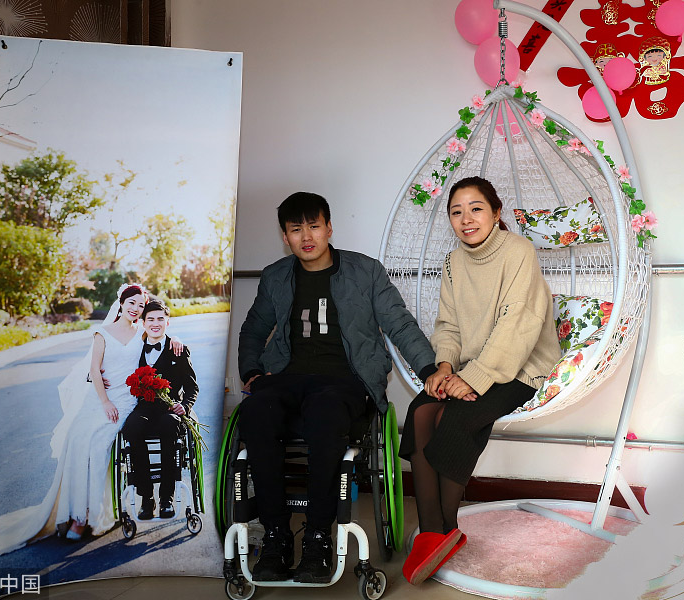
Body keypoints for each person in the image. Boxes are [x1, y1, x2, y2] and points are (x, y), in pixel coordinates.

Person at [238, 191, 436, 583]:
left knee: (325, 413)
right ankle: (276, 536)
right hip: (288, 377)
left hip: (346, 380)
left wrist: (428, 368)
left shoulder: (366, 272)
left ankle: (317, 537)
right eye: (296, 229)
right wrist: (251, 372)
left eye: (314, 225)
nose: (306, 236)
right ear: (285, 236)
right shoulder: (276, 276)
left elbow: (399, 324)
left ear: (329, 228)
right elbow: (253, 329)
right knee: (255, 410)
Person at [399, 176, 562, 585]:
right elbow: (449, 325)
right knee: (421, 409)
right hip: (473, 365)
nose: (466, 219)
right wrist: (445, 368)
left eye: (475, 209)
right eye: (456, 211)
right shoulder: (454, 262)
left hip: (521, 366)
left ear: (496, 213)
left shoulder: (519, 252)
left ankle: (441, 529)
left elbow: (518, 326)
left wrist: (475, 378)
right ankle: (437, 531)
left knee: (456, 417)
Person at [0, 283, 181, 556]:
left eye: (141, 305)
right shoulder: (102, 333)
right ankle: (75, 513)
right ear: (122, 302)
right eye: (132, 303)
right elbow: (93, 369)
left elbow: (159, 341)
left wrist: (174, 340)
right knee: (77, 437)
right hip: (104, 398)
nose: (137, 309)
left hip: (129, 400)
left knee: (98, 442)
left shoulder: (141, 332)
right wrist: (104, 401)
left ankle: (89, 515)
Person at [121, 296, 198, 520]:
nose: (156, 323)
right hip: (145, 407)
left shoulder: (179, 350)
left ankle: (167, 497)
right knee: (132, 429)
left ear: (168, 322)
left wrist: (185, 405)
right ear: (143, 323)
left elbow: (193, 387)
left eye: (160, 319)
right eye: (151, 319)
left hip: (171, 409)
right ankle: (146, 497)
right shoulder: (135, 349)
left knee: (167, 426)